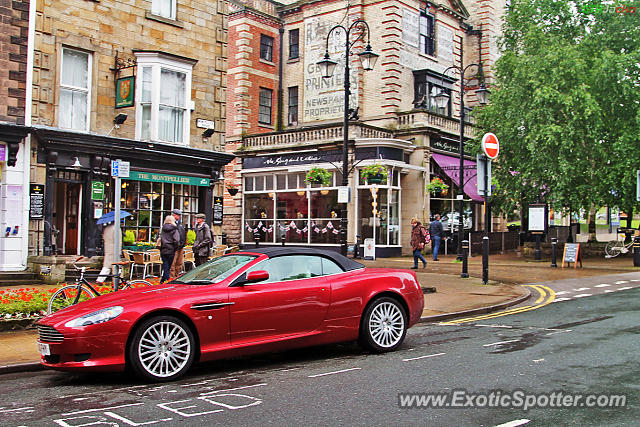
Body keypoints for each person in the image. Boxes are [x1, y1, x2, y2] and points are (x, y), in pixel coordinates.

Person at [160, 215, 181, 282]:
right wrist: (176, 247)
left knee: (166, 264)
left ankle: (163, 280)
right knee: (168, 265)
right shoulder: (174, 229)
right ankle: (167, 279)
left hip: (163, 248)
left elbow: (158, 237)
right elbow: (177, 240)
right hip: (171, 249)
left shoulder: (162, 228)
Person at [170, 208, 186, 278]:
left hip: (181, 247)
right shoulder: (170, 224)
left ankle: (177, 276)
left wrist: (182, 244)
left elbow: (183, 234)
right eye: (178, 215)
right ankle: (171, 278)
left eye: (179, 215)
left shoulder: (180, 224)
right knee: (172, 264)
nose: (179, 217)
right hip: (173, 247)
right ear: (174, 215)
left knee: (179, 263)